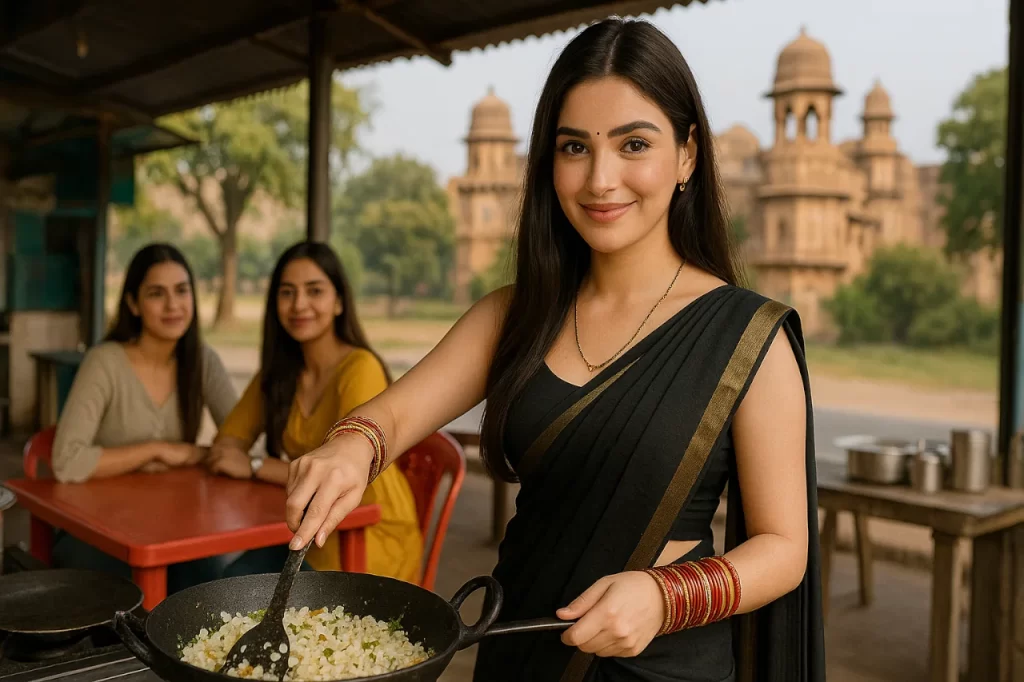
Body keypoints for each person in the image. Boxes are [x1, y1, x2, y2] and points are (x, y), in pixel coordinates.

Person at [284, 18, 824, 682]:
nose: (600, 179)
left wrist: (664, 595)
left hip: (662, 659)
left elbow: (784, 548)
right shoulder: (516, 314)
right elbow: (390, 419)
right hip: (520, 644)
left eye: (633, 144)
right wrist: (352, 445)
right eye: (575, 147)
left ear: (686, 155)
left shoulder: (746, 335)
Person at [206, 242, 422, 582]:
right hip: (307, 526)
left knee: (238, 591)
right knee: (225, 583)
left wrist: (254, 465)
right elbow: (225, 445)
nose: (299, 305)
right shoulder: (279, 373)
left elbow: (343, 478)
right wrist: (240, 459)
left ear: (338, 302)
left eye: (315, 291)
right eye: (287, 293)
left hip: (368, 531)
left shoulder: (359, 368)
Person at [51, 243, 238, 592]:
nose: (173, 305)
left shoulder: (202, 360)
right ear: (133, 304)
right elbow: (66, 461)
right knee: (127, 599)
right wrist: (157, 450)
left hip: (174, 529)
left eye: (182, 291)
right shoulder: (105, 362)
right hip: (97, 530)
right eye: (156, 293)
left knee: (214, 587)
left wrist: (217, 450)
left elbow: (240, 440)